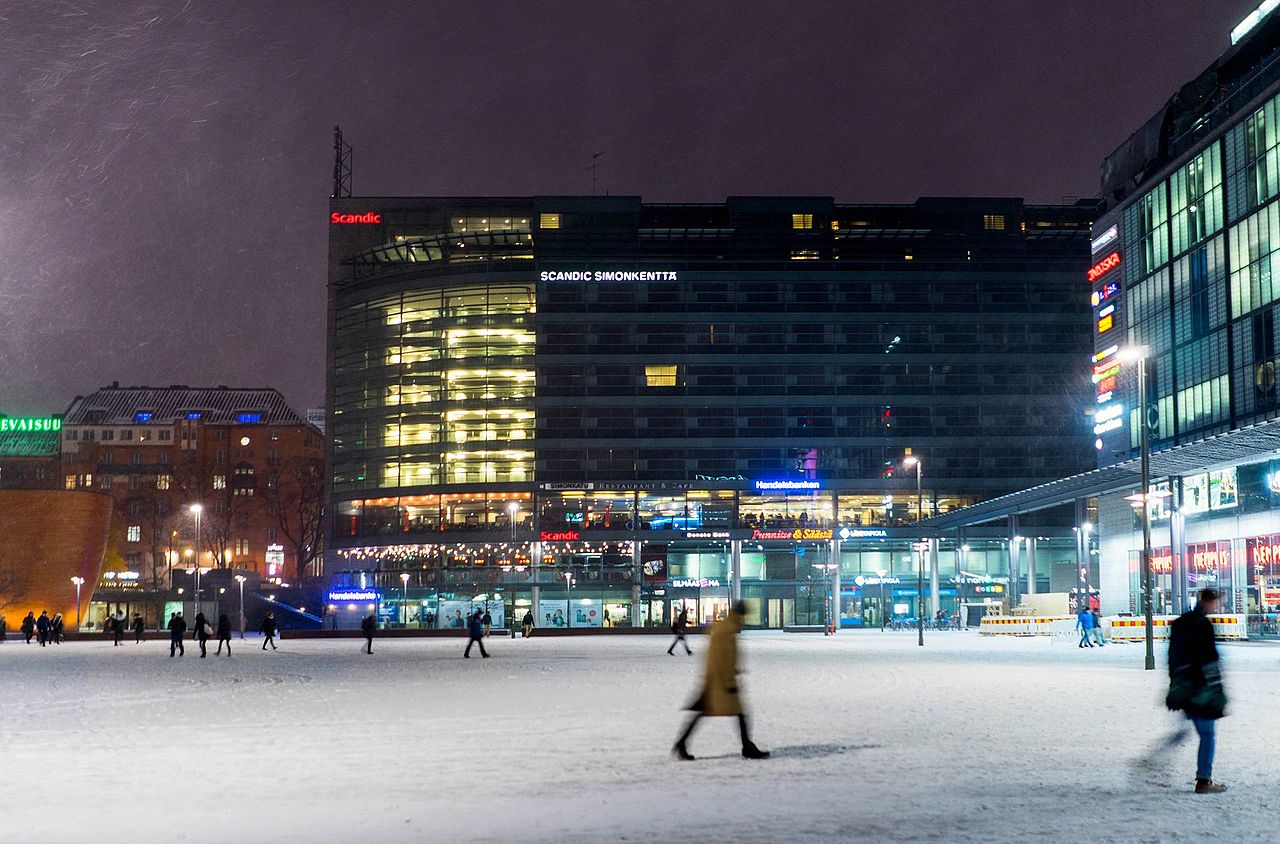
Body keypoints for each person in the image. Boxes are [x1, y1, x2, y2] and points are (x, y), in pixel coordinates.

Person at [672, 603, 768, 761]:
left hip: (717, 678)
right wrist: (728, 679)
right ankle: (747, 747)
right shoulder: (726, 630)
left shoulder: (725, 627)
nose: (744, 620)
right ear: (739, 614)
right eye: (743, 616)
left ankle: (681, 743)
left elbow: (724, 655)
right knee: (736, 713)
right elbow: (719, 658)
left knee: (712, 712)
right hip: (721, 681)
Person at [1166, 588, 1228, 793]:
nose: (1216, 607)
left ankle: (1159, 755)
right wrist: (1216, 687)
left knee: (1191, 727)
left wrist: (1174, 681)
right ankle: (1203, 780)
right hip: (1200, 687)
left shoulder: (1181, 623)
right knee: (1207, 734)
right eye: (1216, 603)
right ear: (1210, 602)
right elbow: (1209, 659)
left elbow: (1172, 655)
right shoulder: (1203, 626)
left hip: (1183, 685)